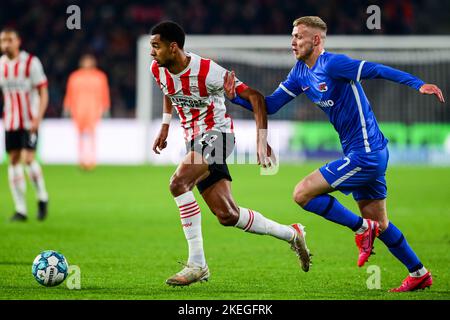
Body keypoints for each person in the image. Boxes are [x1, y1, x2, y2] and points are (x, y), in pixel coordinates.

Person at [225, 16, 445, 292]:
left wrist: (417, 84)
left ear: (316, 40)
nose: (293, 42)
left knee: (302, 194)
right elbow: (269, 106)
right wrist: (235, 96)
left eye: (299, 37)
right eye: (292, 36)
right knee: (381, 224)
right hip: (364, 152)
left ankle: (361, 229)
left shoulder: (334, 64)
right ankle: (419, 272)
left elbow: (376, 70)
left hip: (366, 153)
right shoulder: (299, 73)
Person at [150, 21, 311, 286]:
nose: (151, 52)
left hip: (219, 137)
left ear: (173, 46)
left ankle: (197, 264)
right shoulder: (159, 68)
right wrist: (166, 126)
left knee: (178, 183)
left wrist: (261, 142)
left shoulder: (208, 71)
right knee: (228, 215)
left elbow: (256, 98)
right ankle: (293, 234)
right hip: (195, 143)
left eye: (156, 46)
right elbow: (168, 90)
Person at [0, 27, 50, 221]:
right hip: (10, 121)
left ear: (18, 41)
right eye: (3, 41)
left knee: (28, 159)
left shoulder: (31, 62)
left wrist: (38, 117)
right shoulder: (1, 65)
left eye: (9, 40)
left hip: (30, 120)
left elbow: (43, 92)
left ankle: (42, 197)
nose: (5, 44)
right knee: (12, 161)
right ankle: (20, 209)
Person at [63, 54, 110, 171]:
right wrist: (67, 107)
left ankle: (92, 159)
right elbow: (69, 93)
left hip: (94, 110)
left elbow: (105, 93)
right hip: (78, 110)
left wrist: (106, 107)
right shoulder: (75, 77)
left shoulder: (100, 77)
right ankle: (81, 159)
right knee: (80, 136)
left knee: (92, 135)